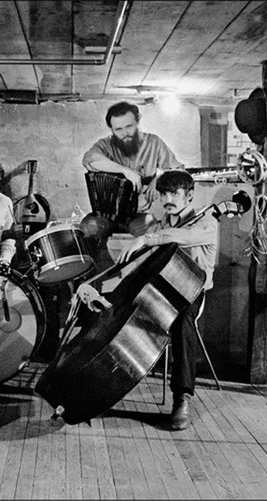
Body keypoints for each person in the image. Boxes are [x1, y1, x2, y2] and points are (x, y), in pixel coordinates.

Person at [116, 169, 217, 431]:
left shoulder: (206, 222)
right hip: (163, 288)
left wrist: (146, 238)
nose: (168, 198)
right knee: (122, 300)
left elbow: (181, 238)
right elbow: (147, 259)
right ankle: (110, 378)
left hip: (192, 293)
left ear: (190, 196)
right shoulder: (163, 223)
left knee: (182, 319)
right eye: (163, 194)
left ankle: (182, 398)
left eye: (175, 193)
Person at [82, 101, 184, 240]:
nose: (125, 133)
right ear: (112, 129)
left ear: (138, 121)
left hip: (140, 215)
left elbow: (178, 170)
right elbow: (89, 158)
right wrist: (125, 171)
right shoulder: (106, 144)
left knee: (153, 237)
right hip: (106, 215)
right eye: (118, 129)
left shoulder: (154, 143)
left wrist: (159, 178)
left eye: (129, 126)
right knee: (86, 231)